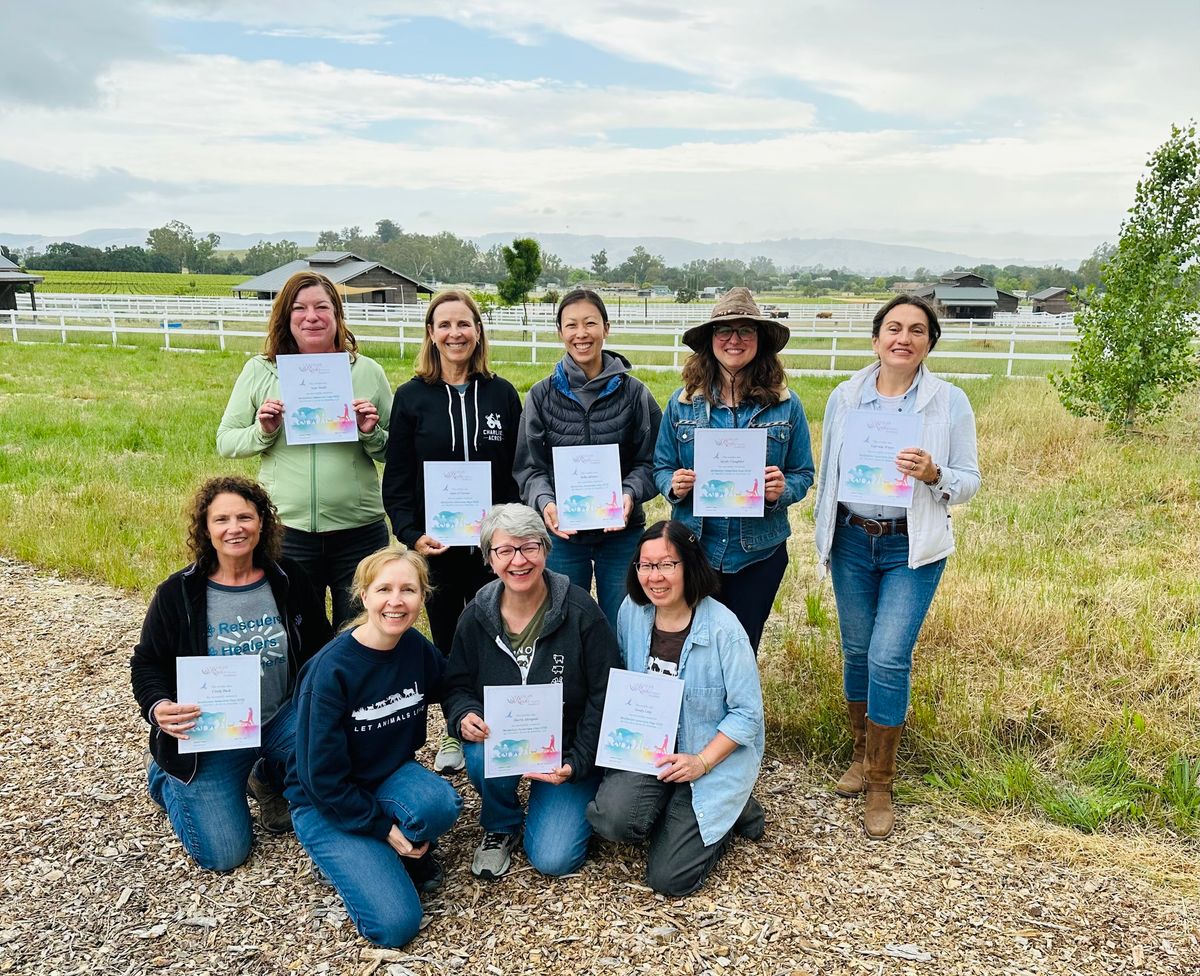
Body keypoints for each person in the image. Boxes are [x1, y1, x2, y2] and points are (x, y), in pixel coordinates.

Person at [813, 294, 981, 839]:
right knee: (858, 649)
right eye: (893, 328)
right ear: (876, 338)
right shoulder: (845, 397)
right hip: (853, 541)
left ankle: (882, 782)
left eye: (915, 330)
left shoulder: (948, 402)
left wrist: (936, 474)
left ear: (930, 342)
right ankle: (861, 755)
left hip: (913, 545)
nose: (902, 338)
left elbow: (970, 480)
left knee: (889, 655)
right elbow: (831, 471)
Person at [130, 476, 331, 871]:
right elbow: (147, 662)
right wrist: (159, 706)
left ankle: (266, 771)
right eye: (221, 519)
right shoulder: (177, 593)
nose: (234, 528)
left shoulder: (288, 577)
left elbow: (320, 646)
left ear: (263, 523)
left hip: (280, 717)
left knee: (337, 772)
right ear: (206, 529)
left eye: (245, 517)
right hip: (211, 732)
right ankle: (165, 776)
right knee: (224, 855)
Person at [286, 545, 462, 948]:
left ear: (423, 597)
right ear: (363, 596)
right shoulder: (331, 670)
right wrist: (383, 828)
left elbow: (452, 683)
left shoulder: (415, 648)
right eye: (384, 589)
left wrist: (464, 712)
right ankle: (352, 853)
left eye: (409, 590)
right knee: (396, 926)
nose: (396, 602)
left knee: (441, 804)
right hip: (324, 801)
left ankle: (392, 853)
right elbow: (321, 779)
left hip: (387, 777)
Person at [382, 289, 522, 775]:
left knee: (495, 632)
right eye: (444, 325)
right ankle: (453, 727)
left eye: (464, 324)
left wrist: (511, 537)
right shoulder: (411, 397)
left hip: (493, 550)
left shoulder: (501, 394)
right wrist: (411, 534)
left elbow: (516, 474)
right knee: (445, 637)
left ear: (478, 331)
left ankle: (503, 719)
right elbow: (397, 478)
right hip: (437, 547)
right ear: (431, 334)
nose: (455, 334)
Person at [586, 520, 765, 896]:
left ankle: (732, 808)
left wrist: (700, 762)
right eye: (646, 565)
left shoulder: (723, 630)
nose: (656, 577)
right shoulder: (631, 613)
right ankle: (680, 807)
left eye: (667, 564)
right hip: (649, 752)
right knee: (611, 821)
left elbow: (747, 715)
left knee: (669, 880)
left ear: (690, 565)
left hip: (705, 756)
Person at [442, 503, 620, 880]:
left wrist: (579, 762)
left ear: (545, 550)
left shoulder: (580, 611)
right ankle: (501, 822)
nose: (518, 561)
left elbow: (606, 692)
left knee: (553, 859)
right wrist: (464, 715)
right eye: (505, 550)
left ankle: (560, 796)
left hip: (567, 750)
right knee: (477, 754)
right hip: (503, 741)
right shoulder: (476, 615)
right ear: (489, 557)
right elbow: (456, 684)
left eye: (529, 547)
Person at [217, 270, 392, 629]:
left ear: (337, 315)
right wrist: (264, 431)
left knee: (359, 635)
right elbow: (226, 440)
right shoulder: (260, 370)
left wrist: (370, 433)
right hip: (288, 531)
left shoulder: (368, 372)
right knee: (296, 634)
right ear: (286, 316)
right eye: (299, 308)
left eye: (321, 307)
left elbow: (396, 452)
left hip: (359, 532)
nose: (311, 317)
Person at [654, 287, 814, 653]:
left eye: (746, 330)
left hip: (759, 552)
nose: (735, 340)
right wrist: (674, 485)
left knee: (742, 646)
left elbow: (804, 472)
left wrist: (782, 489)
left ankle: (738, 710)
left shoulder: (786, 406)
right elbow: (660, 466)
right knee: (690, 644)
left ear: (760, 340)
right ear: (710, 340)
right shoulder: (682, 405)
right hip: (695, 548)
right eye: (724, 331)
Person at [513, 288, 662, 629]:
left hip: (621, 533)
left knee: (626, 622)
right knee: (561, 622)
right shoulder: (541, 394)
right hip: (563, 534)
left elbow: (653, 461)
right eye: (571, 325)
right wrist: (545, 502)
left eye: (590, 323)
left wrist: (629, 494)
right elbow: (529, 467)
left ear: (606, 328)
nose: (581, 334)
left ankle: (621, 683)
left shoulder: (634, 392)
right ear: (560, 333)